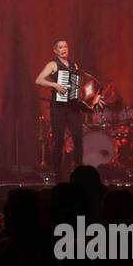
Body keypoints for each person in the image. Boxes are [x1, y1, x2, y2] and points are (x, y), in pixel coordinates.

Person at [35, 38, 85, 180]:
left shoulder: (73, 65)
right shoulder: (52, 64)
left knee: (78, 136)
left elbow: (76, 84)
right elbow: (38, 80)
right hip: (59, 107)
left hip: (72, 106)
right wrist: (55, 85)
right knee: (59, 139)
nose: (64, 49)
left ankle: (79, 167)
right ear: (55, 51)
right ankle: (57, 170)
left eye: (66, 47)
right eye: (60, 47)